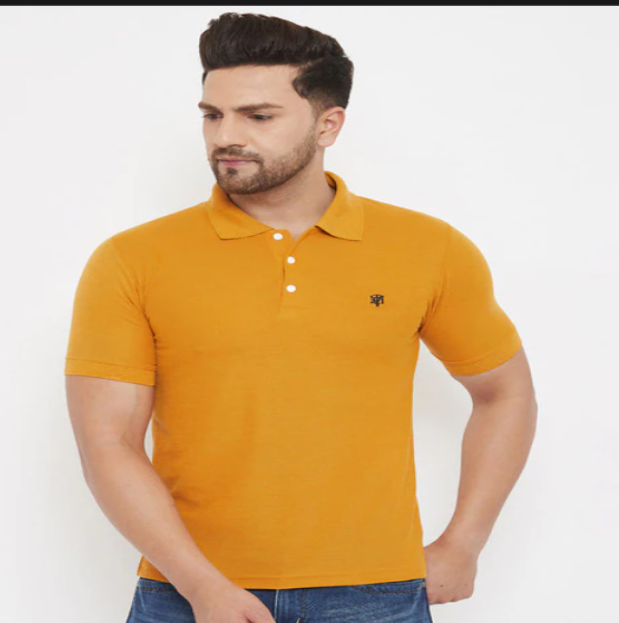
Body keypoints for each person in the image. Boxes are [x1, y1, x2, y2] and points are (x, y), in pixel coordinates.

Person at [64, 11, 537, 623]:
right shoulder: (132, 260)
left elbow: (504, 392)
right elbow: (108, 443)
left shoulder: (429, 249)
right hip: (187, 592)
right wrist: (202, 586)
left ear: (327, 124)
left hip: (376, 594)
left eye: (257, 116)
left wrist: (464, 543)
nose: (225, 136)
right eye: (212, 115)